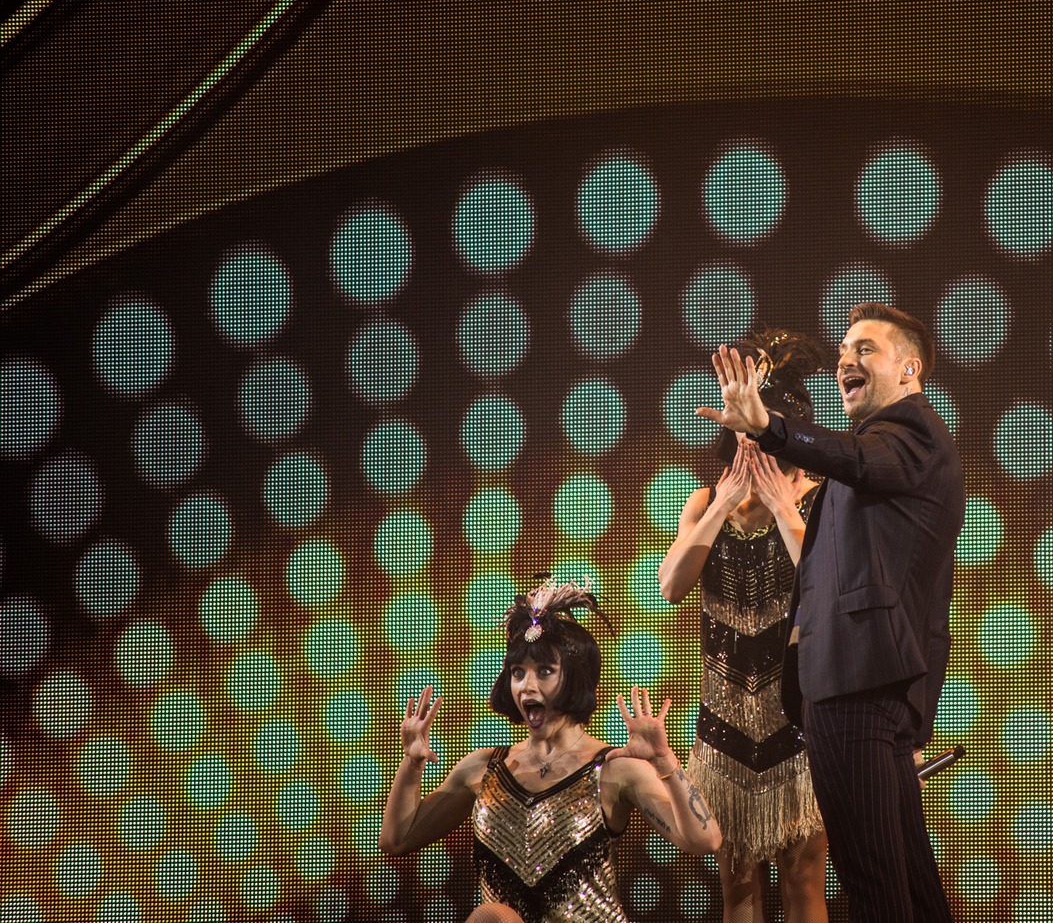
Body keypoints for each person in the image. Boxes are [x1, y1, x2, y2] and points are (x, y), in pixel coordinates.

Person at [698, 303, 964, 923]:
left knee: (874, 884)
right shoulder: (882, 453)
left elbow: (853, 458)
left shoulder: (911, 433)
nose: (846, 359)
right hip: (869, 687)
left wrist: (769, 427)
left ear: (910, 369)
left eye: (865, 348)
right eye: (843, 350)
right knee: (910, 883)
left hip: (856, 685)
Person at [379, 578, 722, 923]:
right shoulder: (482, 769)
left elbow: (705, 841)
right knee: (492, 916)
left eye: (544, 671)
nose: (527, 686)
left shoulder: (615, 769)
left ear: (574, 678)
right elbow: (396, 839)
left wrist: (664, 761)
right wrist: (412, 763)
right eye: (517, 673)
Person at [659, 329, 829, 923]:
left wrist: (782, 506)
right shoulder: (706, 499)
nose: (747, 440)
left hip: (797, 719)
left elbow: (827, 583)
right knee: (737, 888)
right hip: (725, 724)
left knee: (803, 879)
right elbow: (671, 587)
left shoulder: (820, 498)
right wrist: (721, 506)